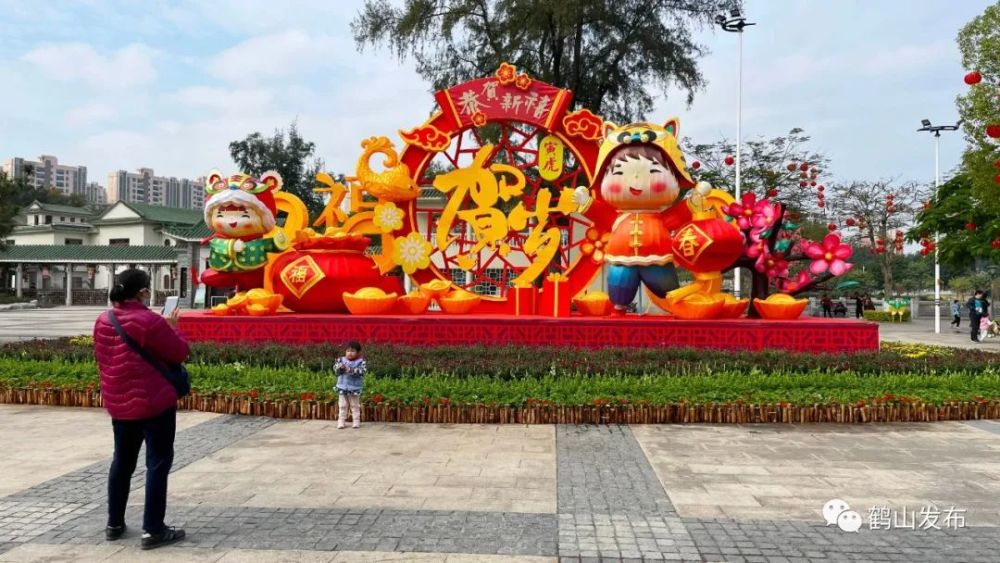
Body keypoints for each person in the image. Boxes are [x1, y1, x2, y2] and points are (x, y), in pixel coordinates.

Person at [93, 268, 189, 550]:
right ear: (142, 292)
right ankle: (153, 529)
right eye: (147, 289)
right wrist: (172, 327)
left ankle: (114, 523)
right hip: (154, 403)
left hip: (119, 403)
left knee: (122, 462)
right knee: (157, 463)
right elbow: (179, 352)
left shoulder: (103, 319)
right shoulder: (149, 321)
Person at [335, 341, 367, 429]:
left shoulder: (361, 362)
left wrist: (350, 369)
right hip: (342, 387)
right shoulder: (340, 360)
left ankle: (356, 421)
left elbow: (361, 372)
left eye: (353, 351)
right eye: (348, 351)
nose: (350, 353)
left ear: (358, 352)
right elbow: (335, 371)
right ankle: (341, 421)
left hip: (354, 388)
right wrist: (339, 368)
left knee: (355, 405)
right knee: (342, 405)